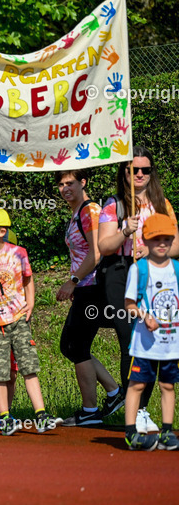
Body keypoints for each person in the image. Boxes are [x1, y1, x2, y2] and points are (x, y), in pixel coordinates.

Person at [97, 147, 176, 433]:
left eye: (145, 170)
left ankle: (142, 410)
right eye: (134, 169)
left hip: (152, 274)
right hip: (119, 272)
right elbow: (104, 246)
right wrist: (125, 232)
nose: (140, 174)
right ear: (125, 173)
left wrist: (151, 250)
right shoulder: (113, 205)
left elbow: (176, 245)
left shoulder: (162, 205)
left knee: (149, 340)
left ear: (151, 173)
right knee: (129, 337)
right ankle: (136, 410)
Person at [0, 208, 53, 434]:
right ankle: (3, 417)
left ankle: (41, 414)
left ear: (2, 231)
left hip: (18, 319)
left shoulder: (19, 253)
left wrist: (31, 303)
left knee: (28, 366)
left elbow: (27, 278)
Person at [55, 169, 124, 424]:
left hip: (93, 286)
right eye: (61, 184)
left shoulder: (90, 211)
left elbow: (96, 253)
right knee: (72, 346)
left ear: (83, 182)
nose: (65, 188)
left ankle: (91, 410)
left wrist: (72, 281)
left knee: (75, 346)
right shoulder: (77, 213)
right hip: (85, 288)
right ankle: (114, 393)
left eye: (70, 183)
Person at [121, 213, 179, 450]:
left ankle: (167, 432)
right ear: (145, 240)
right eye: (156, 239)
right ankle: (131, 432)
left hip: (170, 343)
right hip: (145, 343)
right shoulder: (139, 269)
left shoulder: (176, 269)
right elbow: (129, 304)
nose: (162, 244)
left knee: (168, 385)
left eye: (166, 239)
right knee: (137, 384)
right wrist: (145, 316)